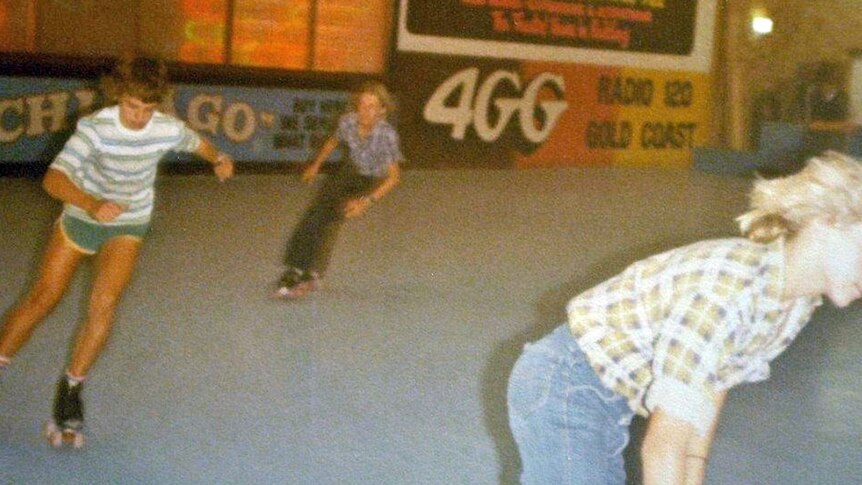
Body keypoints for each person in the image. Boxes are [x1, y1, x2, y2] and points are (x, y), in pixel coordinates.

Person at [507, 150, 862, 484]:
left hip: (605, 392)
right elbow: (662, 448)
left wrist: (695, 472)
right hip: (567, 381)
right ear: (825, 222)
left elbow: (712, 386)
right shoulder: (726, 294)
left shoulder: (793, 304)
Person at [0, 55, 234, 445]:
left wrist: (221, 158)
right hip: (82, 216)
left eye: (148, 108)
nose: (139, 117)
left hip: (129, 220)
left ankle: (71, 393)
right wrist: (92, 204)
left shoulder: (165, 129)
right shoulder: (95, 129)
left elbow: (199, 144)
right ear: (118, 97)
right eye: (131, 106)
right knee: (43, 299)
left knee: (104, 303)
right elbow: (53, 179)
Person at [275, 81, 402, 298]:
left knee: (330, 220)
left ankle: (312, 273)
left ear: (382, 110)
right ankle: (295, 269)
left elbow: (394, 177)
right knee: (315, 215)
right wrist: (315, 165)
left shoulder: (386, 135)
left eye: (372, 106)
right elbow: (332, 142)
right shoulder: (349, 122)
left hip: (369, 179)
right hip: (349, 171)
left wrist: (365, 202)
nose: (365, 111)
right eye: (362, 105)